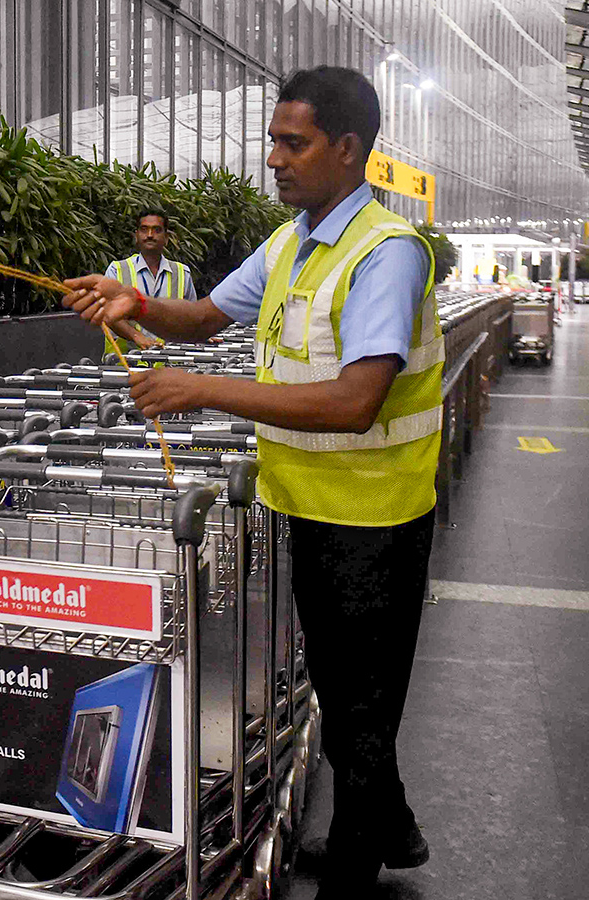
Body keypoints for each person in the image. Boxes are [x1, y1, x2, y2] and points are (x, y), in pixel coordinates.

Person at [62, 66, 439, 899]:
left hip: (375, 526)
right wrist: (134, 303)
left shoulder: (386, 255)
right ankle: (392, 828)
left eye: (291, 143)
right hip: (309, 510)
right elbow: (201, 316)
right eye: (273, 140)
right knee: (345, 700)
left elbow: (354, 402)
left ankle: (355, 868)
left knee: (360, 712)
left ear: (348, 150)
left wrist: (201, 390)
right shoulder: (291, 242)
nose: (274, 158)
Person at [101, 209, 197, 357]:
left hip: (170, 365)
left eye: (157, 230)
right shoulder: (117, 270)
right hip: (125, 367)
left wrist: (201, 335)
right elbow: (108, 314)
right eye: (144, 229)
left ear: (166, 237)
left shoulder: (182, 273)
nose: (150, 235)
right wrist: (137, 336)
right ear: (137, 235)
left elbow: (191, 318)